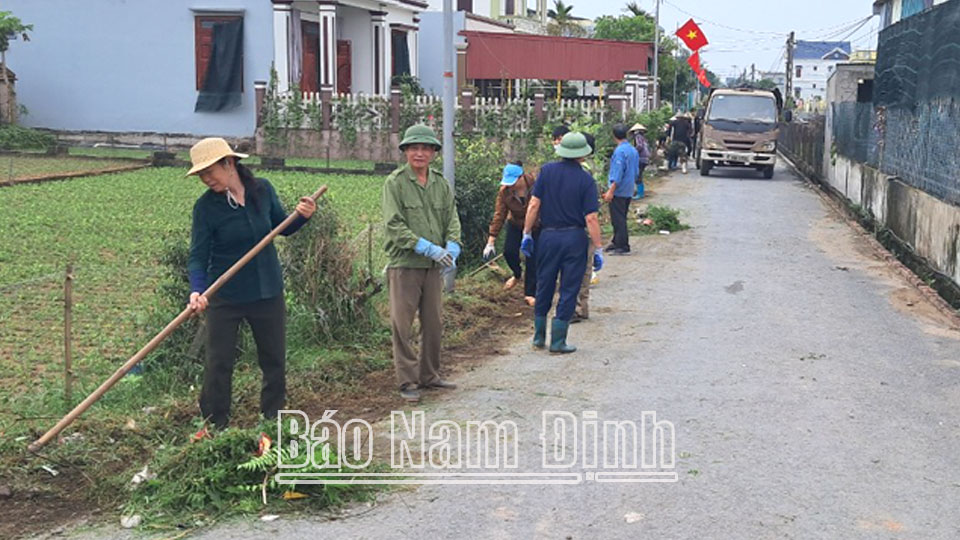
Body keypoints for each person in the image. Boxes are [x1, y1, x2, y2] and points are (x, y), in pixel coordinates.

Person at [185, 137, 316, 429]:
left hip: (267, 291)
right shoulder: (206, 208)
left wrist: (302, 217)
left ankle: (272, 422)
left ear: (229, 163)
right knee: (219, 363)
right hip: (225, 296)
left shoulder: (263, 190)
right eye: (201, 175)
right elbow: (198, 256)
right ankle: (214, 426)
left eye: (210, 171)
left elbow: (282, 226)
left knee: (274, 361)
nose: (206, 179)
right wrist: (197, 289)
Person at [382, 124, 462, 403]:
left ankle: (430, 375)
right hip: (405, 264)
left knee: (434, 322)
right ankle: (407, 380)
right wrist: (425, 247)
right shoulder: (395, 183)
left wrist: (452, 245)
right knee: (402, 325)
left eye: (425, 148)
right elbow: (394, 225)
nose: (420, 153)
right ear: (405, 151)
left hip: (433, 267)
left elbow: (452, 217)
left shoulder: (440, 183)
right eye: (414, 148)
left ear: (433, 153)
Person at [520, 132, 604, 353]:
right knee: (569, 288)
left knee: (544, 283)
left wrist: (527, 233)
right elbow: (591, 218)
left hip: (548, 236)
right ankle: (558, 341)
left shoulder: (546, 172)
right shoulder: (586, 180)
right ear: (583, 155)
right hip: (574, 238)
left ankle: (538, 338)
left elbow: (534, 205)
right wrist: (597, 247)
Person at [484, 162, 537, 306]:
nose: (510, 185)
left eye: (513, 182)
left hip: (536, 225)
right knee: (509, 252)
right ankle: (517, 274)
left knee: (532, 259)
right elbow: (499, 214)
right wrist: (491, 240)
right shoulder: (504, 192)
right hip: (516, 224)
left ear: (521, 177)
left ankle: (530, 293)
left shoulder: (536, 185)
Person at [603, 124, 640, 255]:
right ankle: (616, 240)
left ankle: (622, 245)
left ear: (614, 136)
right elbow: (636, 171)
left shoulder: (619, 152)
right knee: (621, 216)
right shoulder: (632, 150)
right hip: (628, 188)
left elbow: (617, 174)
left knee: (618, 219)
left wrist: (610, 191)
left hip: (619, 190)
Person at [629, 123, 650, 200]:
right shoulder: (643, 138)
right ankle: (640, 192)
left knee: (638, 176)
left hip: (641, 158)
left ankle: (640, 193)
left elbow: (639, 146)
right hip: (645, 158)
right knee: (639, 175)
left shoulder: (637, 137)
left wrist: (633, 151)